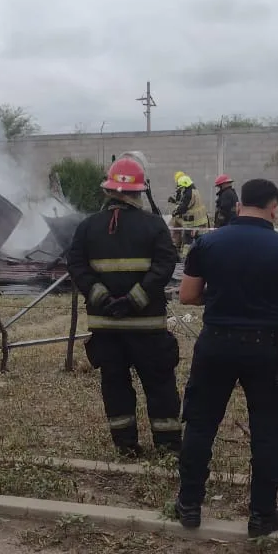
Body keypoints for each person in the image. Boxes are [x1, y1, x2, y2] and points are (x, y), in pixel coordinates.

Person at [173, 178, 278, 537]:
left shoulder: (207, 243)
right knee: (266, 431)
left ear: (238, 207)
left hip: (216, 343)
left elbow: (187, 296)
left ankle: (189, 506)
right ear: (274, 207)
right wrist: (273, 299)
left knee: (201, 424)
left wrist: (224, 295)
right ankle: (262, 514)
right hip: (263, 348)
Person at [66, 157, 183, 459]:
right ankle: (168, 446)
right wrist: (136, 299)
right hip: (147, 328)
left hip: (106, 327)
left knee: (115, 385)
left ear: (108, 190)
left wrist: (102, 297)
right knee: (159, 385)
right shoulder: (155, 225)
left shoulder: (87, 227)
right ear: (139, 192)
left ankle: (125, 445)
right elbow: (165, 264)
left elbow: (77, 266)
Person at [168, 172, 209, 250]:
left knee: (187, 241)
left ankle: (184, 258)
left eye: (181, 187)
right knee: (200, 240)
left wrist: (175, 211)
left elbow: (184, 206)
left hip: (193, 222)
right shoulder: (194, 190)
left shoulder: (189, 193)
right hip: (201, 220)